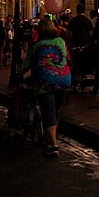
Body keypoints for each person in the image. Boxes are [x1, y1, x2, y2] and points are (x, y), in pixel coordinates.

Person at [22, 16, 71, 157]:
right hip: (63, 80)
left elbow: (26, 65)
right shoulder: (61, 41)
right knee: (55, 111)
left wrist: (20, 75)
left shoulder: (36, 45)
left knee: (48, 112)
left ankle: (54, 145)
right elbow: (67, 58)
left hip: (45, 82)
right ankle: (48, 137)